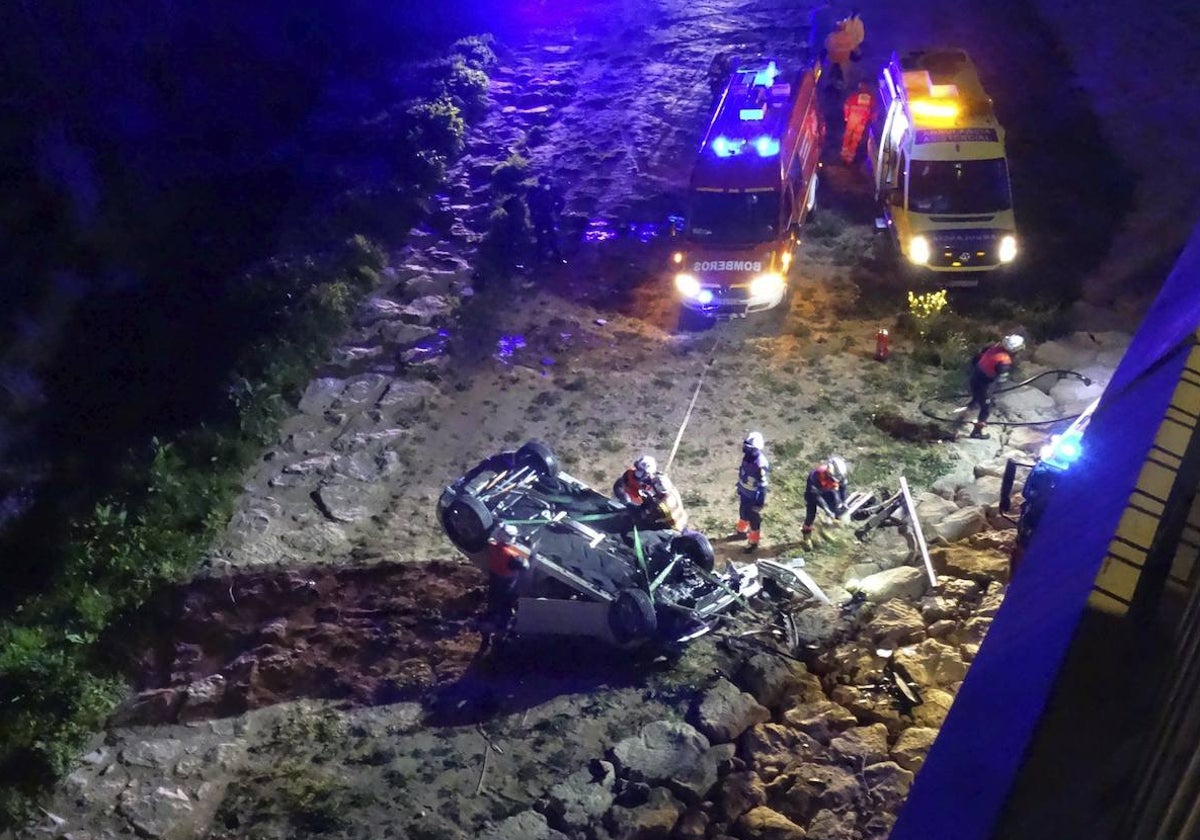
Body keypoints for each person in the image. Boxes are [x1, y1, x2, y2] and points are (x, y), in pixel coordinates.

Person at [964, 334, 1025, 439]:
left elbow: (980, 355)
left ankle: (972, 404)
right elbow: (1001, 379)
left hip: (974, 377)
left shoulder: (994, 347)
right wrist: (995, 390)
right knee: (986, 409)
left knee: (977, 395)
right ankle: (977, 432)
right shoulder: (1004, 361)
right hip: (984, 384)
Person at [614, 455, 688, 530]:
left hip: (669, 526)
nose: (637, 473)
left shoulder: (661, 488)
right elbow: (618, 486)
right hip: (643, 508)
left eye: (642, 471)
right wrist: (626, 501)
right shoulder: (629, 476)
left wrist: (638, 510)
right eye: (638, 469)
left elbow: (651, 514)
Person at [482, 523, 529, 636]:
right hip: (507, 584)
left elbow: (491, 538)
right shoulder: (512, 555)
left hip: (494, 579)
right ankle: (503, 630)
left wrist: (498, 528)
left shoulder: (492, 546)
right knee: (506, 607)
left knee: (493, 603)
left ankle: (488, 626)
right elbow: (525, 566)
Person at [735, 432, 770, 551]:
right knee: (743, 512)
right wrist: (740, 488)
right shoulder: (747, 458)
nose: (745, 450)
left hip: (753, 497)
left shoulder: (760, 464)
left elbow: (763, 486)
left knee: (753, 519)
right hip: (745, 493)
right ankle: (741, 531)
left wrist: (759, 504)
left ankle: (753, 542)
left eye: (749, 448)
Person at [802, 455, 850, 539]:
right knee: (810, 516)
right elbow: (816, 496)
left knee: (837, 506)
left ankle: (827, 528)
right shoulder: (816, 475)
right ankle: (806, 536)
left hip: (828, 490)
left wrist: (844, 501)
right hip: (813, 494)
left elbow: (843, 488)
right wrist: (826, 509)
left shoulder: (839, 475)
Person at [527, 175, 566, 264]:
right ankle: (540, 258)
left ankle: (555, 256)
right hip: (540, 217)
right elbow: (530, 203)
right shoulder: (535, 191)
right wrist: (533, 212)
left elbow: (561, 201)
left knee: (551, 236)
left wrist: (556, 211)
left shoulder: (550, 191)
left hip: (547, 216)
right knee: (540, 237)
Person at [841, 81, 875, 164]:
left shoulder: (855, 96)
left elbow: (847, 105)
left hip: (852, 119)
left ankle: (844, 157)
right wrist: (870, 120)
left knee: (847, 137)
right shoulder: (871, 98)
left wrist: (846, 117)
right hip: (862, 122)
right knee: (855, 140)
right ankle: (849, 159)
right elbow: (873, 112)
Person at [824, 20, 855, 90]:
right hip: (844, 60)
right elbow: (852, 47)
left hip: (832, 59)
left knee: (826, 72)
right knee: (846, 75)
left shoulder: (831, 36)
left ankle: (825, 84)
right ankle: (845, 86)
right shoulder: (848, 37)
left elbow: (826, 45)